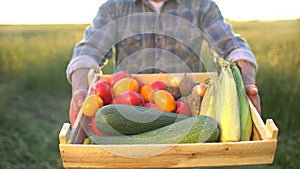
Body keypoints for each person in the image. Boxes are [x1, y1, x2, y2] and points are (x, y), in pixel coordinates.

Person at [67, 0, 261, 126]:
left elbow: (232, 46)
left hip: (188, 117)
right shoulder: (115, 7)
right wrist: (79, 88)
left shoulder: (200, 5)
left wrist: (244, 82)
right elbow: (88, 51)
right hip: (127, 118)